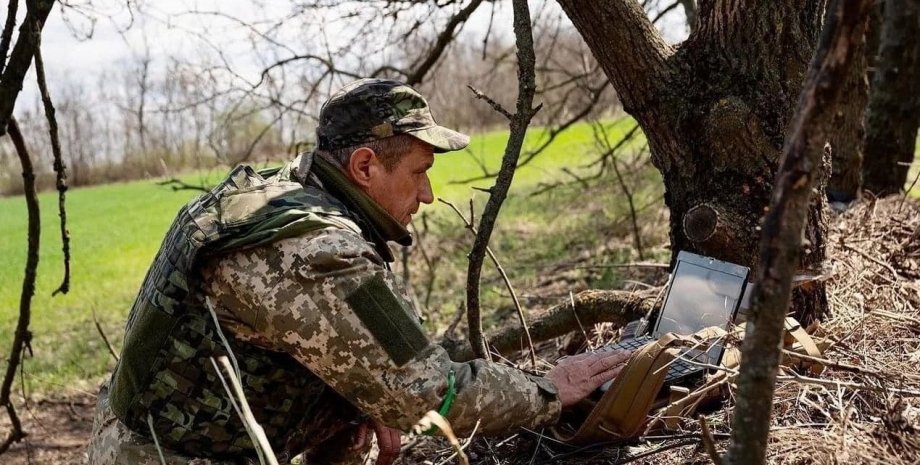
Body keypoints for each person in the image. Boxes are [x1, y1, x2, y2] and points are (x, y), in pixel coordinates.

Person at [85, 78, 632, 465]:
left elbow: (391, 358)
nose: (428, 194)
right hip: (166, 455)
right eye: (419, 173)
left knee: (361, 399)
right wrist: (547, 390)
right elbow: (428, 394)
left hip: (158, 432)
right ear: (365, 166)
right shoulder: (315, 251)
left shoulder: (289, 196)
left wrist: (372, 395)